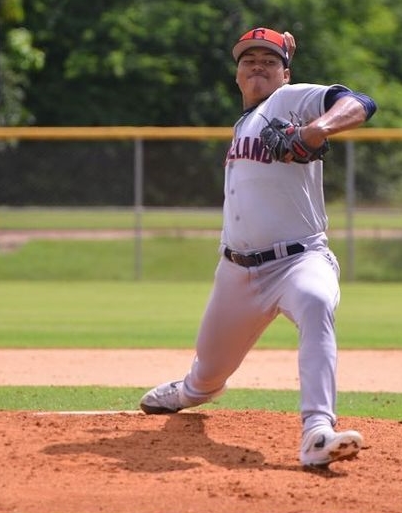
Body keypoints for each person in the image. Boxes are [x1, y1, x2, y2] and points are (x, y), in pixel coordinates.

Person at [138, 27, 378, 468]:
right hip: (237, 273)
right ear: (236, 75)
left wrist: (315, 130)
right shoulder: (246, 123)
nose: (257, 67)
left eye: (269, 61)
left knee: (315, 301)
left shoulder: (290, 100)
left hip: (299, 260)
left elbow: (360, 102)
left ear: (286, 74)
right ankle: (189, 392)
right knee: (207, 375)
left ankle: (317, 431)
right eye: (248, 60)